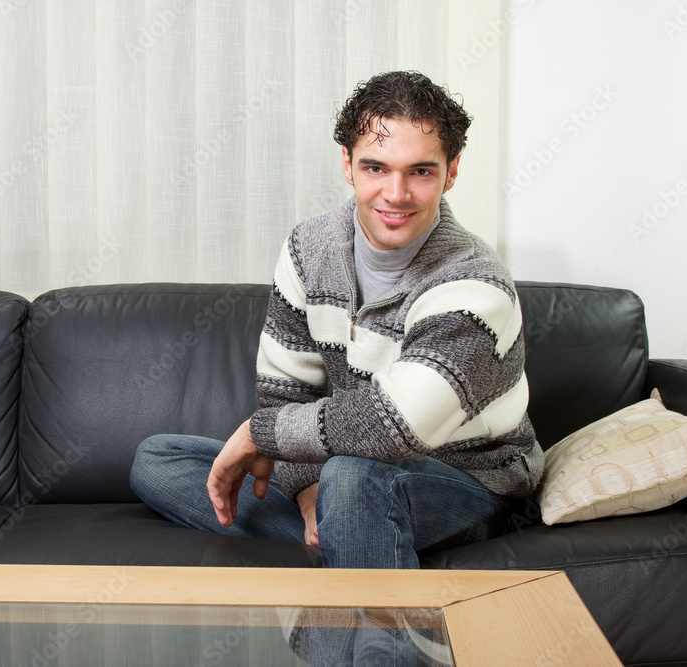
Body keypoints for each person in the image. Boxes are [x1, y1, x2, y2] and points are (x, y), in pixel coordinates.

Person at [131, 70, 543, 571]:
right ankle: (354, 534)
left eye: (420, 171)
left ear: (451, 171)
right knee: (159, 459)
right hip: (346, 470)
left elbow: (397, 423)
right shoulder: (308, 249)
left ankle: (354, 545)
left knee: (352, 478)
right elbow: (285, 394)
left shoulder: (474, 282)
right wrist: (307, 491)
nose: (395, 193)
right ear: (347, 164)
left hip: (469, 483)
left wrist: (262, 435)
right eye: (375, 168)